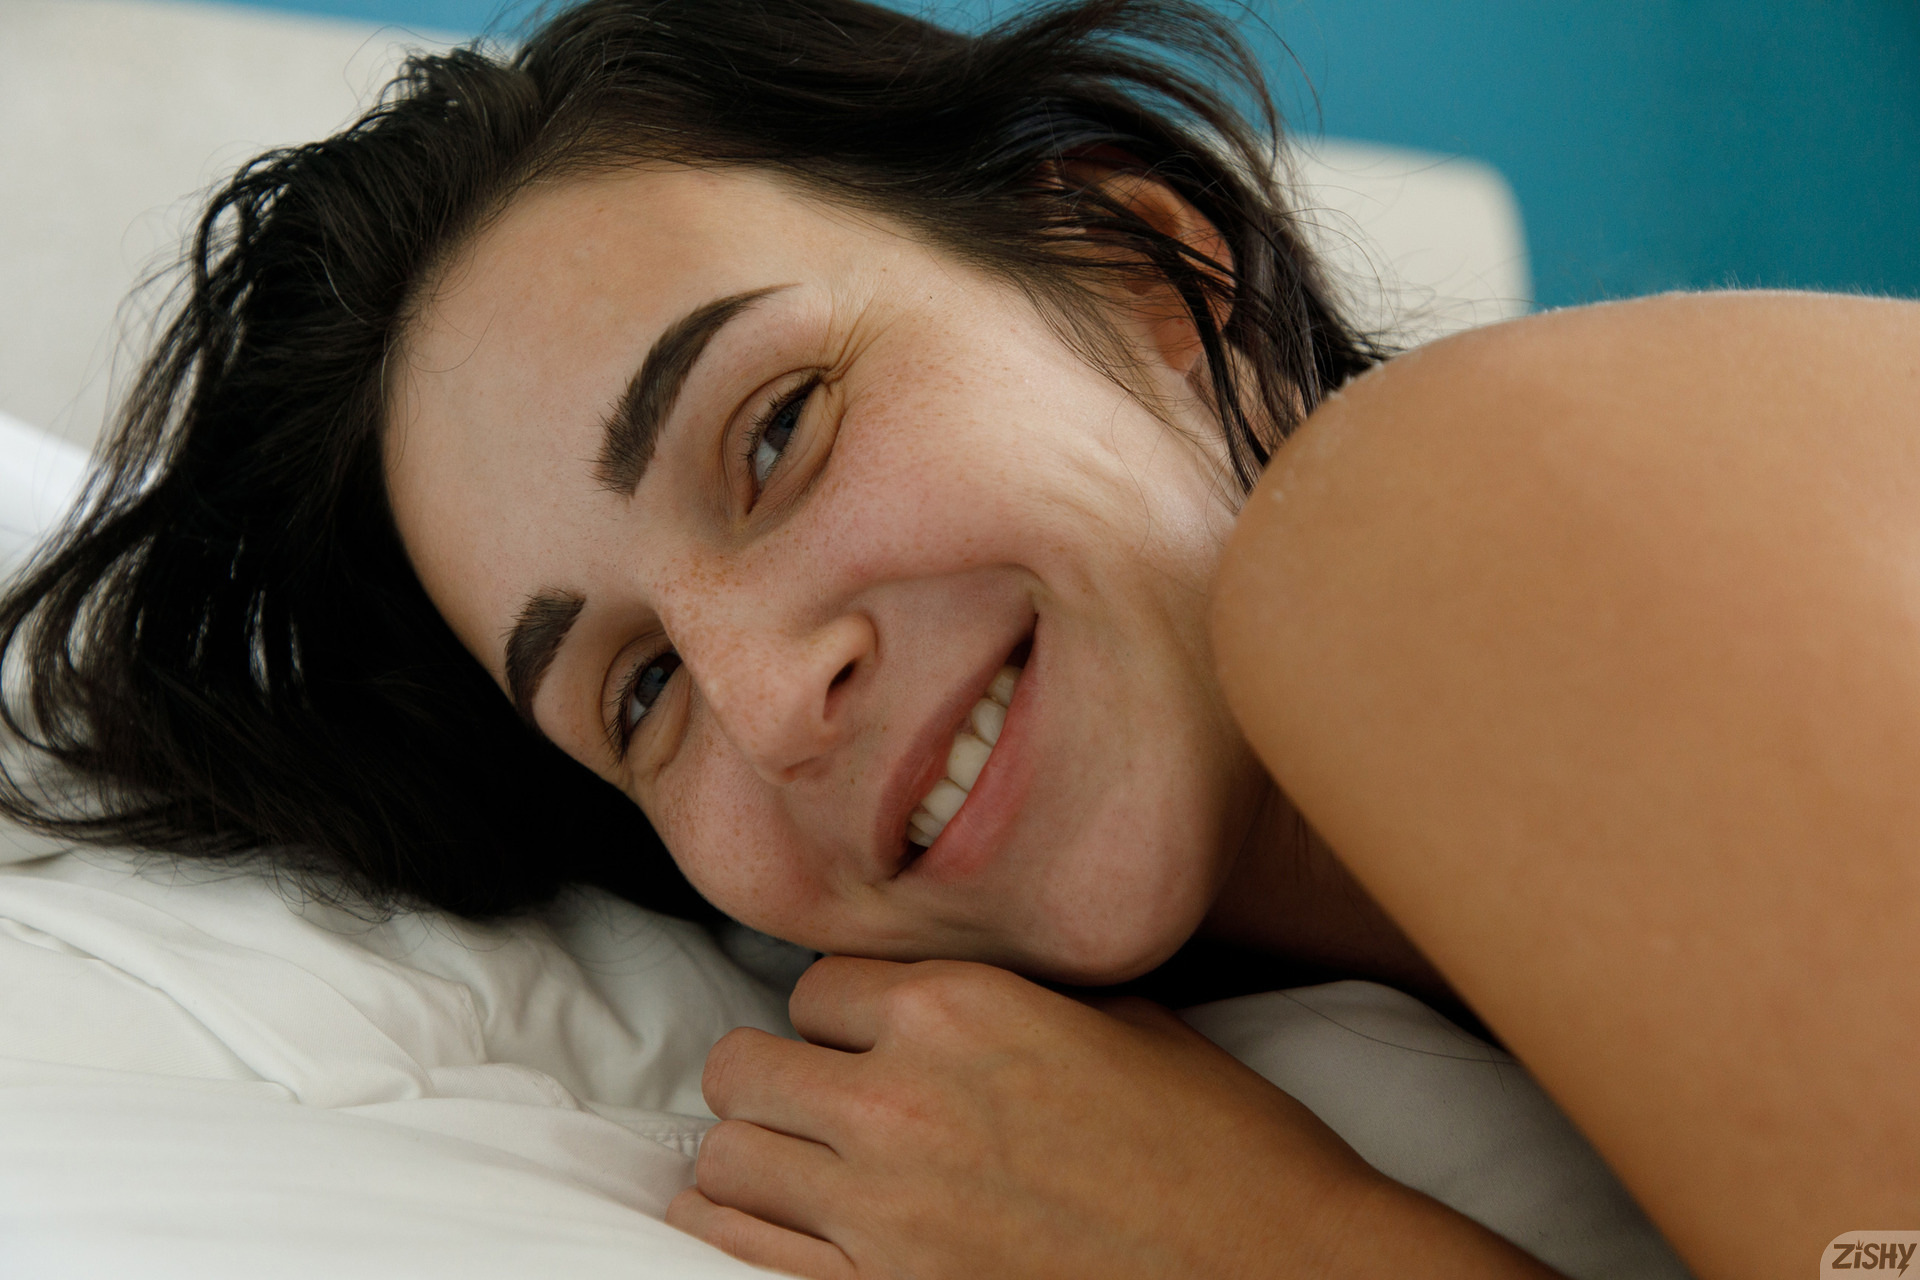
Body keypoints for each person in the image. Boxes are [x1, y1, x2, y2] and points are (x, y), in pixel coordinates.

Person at [1, 0, 1913, 1275]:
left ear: (1139, 271)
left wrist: (1267, 1252)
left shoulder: (1437, 504)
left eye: (774, 432)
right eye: (640, 692)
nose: (767, 699)